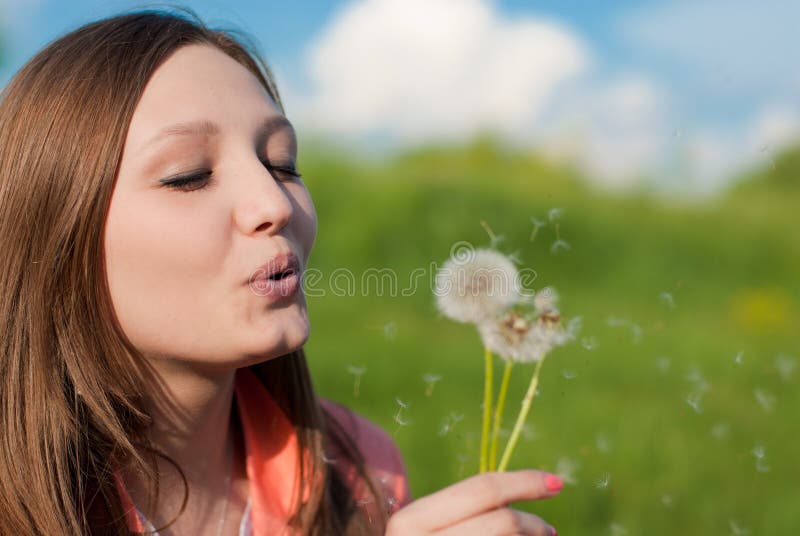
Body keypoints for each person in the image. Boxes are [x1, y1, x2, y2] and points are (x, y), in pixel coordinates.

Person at [0, 8, 563, 536]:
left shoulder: (359, 468)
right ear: (51, 233)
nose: (274, 202)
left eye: (282, 163)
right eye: (189, 174)